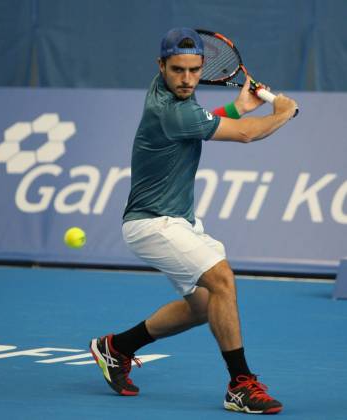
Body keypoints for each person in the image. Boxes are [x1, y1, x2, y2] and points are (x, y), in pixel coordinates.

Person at [90, 27, 297, 414]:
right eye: (177, 70)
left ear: (202, 66)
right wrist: (280, 114)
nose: (186, 79)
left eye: (194, 70)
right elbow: (246, 137)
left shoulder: (175, 96)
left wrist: (238, 107)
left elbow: (201, 123)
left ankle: (116, 347)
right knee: (222, 279)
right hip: (152, 223)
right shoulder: (169, 108)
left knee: (204, 306)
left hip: (179, 221)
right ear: (161, 66)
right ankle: (240, 384)